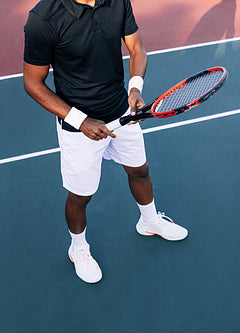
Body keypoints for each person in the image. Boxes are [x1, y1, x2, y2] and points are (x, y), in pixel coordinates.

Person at [23, 0, 188, 284]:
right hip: (79, 126)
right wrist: (80, 121)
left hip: (120, 110)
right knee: (81, 196)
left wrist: (135, 89)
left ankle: (149, 221)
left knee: (139, 170)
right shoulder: (43, 18)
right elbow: (33, 83)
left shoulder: (118, 1)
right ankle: (79, 249)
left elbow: (137, 49)